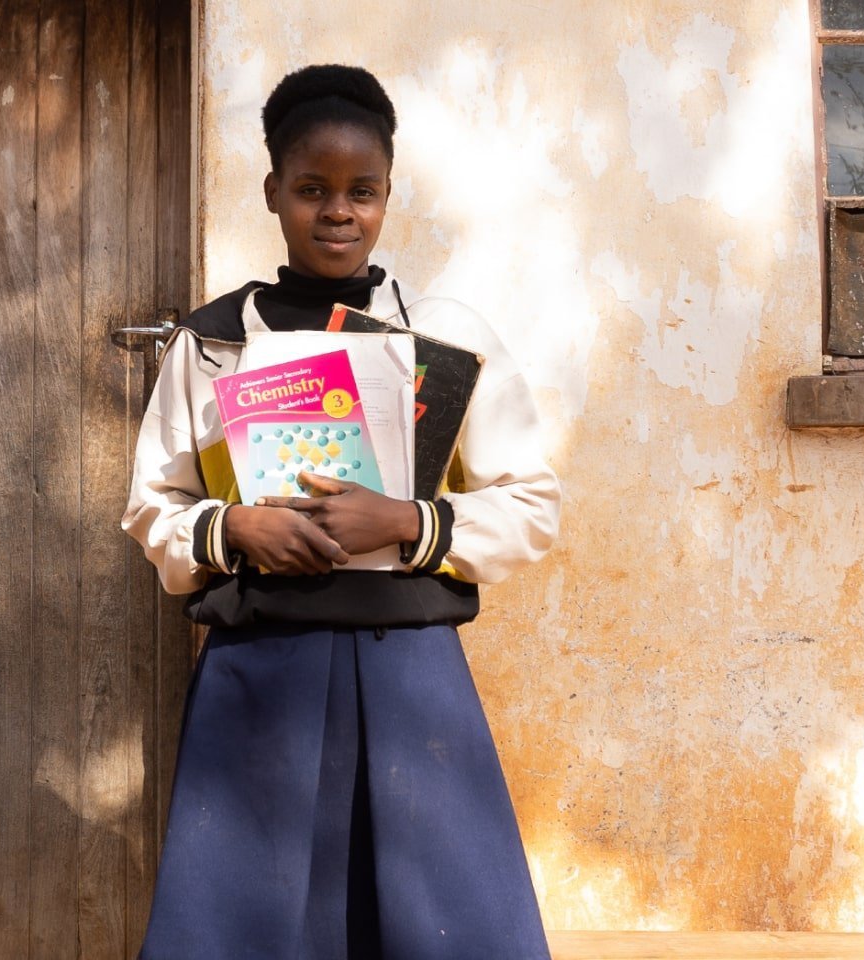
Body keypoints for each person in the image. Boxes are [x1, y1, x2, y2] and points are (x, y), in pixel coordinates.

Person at [121, 64, 561, 960]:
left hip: (411, 674)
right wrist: (230, 529)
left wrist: (408, 522)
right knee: (252, 928)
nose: (338, 211)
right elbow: (153, 505)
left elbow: (531, 506)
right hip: (260, 672)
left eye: (362, 191)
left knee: (435, 926)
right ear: (274, 192)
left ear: (388, 197)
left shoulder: (443, 338)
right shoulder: (213, 344)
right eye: (312, 189)